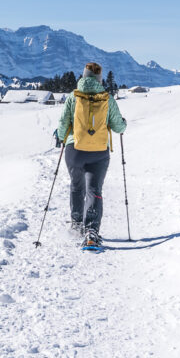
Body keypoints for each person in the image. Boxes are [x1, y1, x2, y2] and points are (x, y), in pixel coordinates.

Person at [56, 61, 126, 249]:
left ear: (84, 76)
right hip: (99, 152)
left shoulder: (73, 96)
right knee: (94, 190)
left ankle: (77, 223)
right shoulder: (107, 98)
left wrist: (61, 138)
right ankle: (91, 232)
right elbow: (119, 126)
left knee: (76, 185)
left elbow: (63, 123)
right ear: (99, 79)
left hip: (74, 150)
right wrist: (123, 123)